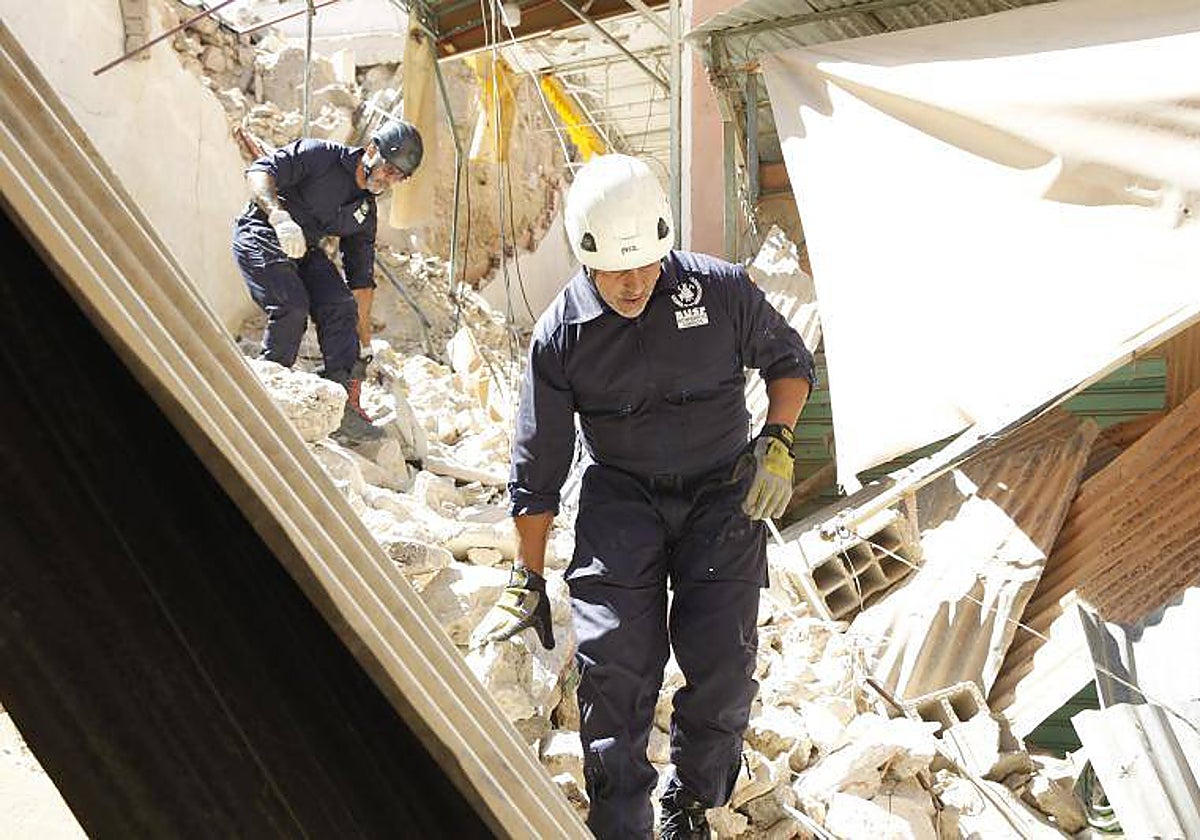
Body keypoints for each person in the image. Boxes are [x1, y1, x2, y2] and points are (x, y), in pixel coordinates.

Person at [475, 154, 815, 839]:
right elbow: (538, 465)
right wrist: (526, 575)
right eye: (614, 270)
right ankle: (620, 824)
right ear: (585, 257)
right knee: (614, 670)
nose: (632, 284)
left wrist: (777, 439)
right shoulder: (561, 334)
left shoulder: (716, 290)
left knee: (722, 662)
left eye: (645, 265)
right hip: (620, 501)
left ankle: (690, 806)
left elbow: (789, 362)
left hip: (723, 496)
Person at [231, 119, 423, 444]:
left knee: (340, 304)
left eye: (399, 177)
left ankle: (341, 408)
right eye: (389, 170)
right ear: (372, 150)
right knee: (292, 307)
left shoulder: (364, 211)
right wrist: (279, 215)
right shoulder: (320, 155)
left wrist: (364, 343)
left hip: (304, 248)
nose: (389, 180)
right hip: (263, 231)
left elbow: (361, 282)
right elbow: (260, 171)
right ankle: (267, 393)